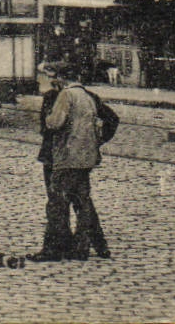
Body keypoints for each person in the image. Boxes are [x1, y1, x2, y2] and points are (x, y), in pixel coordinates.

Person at [32, 62, 117, 262]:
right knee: (83, 202)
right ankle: (90, 246)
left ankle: (55, 248)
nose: (51, 81)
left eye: (52, 77)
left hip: (59, 157)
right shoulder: (89, 96)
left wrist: (48, 122)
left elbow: (51, 125)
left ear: (60, 78)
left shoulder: (59, 96)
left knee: (57, 202)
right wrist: (95, 141)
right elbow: (111, 119)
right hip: (83, 158)